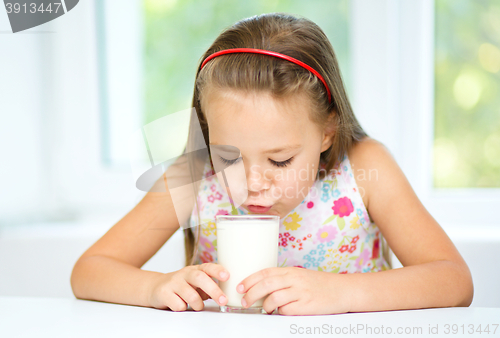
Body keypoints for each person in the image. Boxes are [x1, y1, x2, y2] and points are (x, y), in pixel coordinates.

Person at [71, 13, 473, 316]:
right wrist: (155, 288)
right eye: (227, 156)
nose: (251, 184)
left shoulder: (364, 168)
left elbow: (454, 281)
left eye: (279, 160)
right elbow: (89, 271)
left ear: (328, 131)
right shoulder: (193, 172)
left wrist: (343, 293)